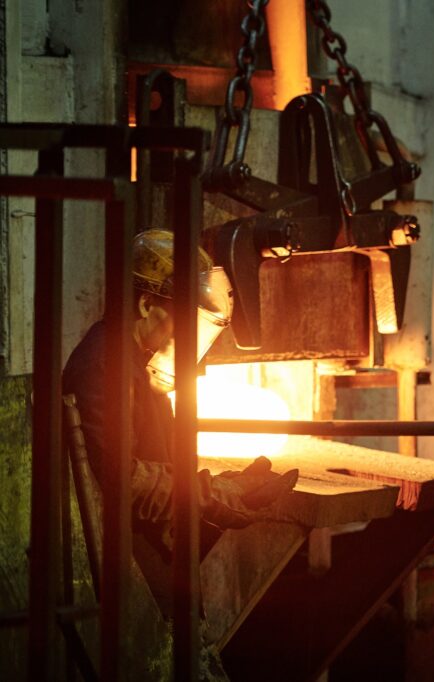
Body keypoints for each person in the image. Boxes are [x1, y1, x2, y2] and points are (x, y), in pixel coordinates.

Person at [63, 229, 296, 615]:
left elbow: (155, 460)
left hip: (146, 552)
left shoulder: (137, 361)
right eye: (182, 317)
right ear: (144, 305)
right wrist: (209, 497)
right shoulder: (106, 365)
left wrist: (219, 486)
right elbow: (120, 478)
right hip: (123, 564)